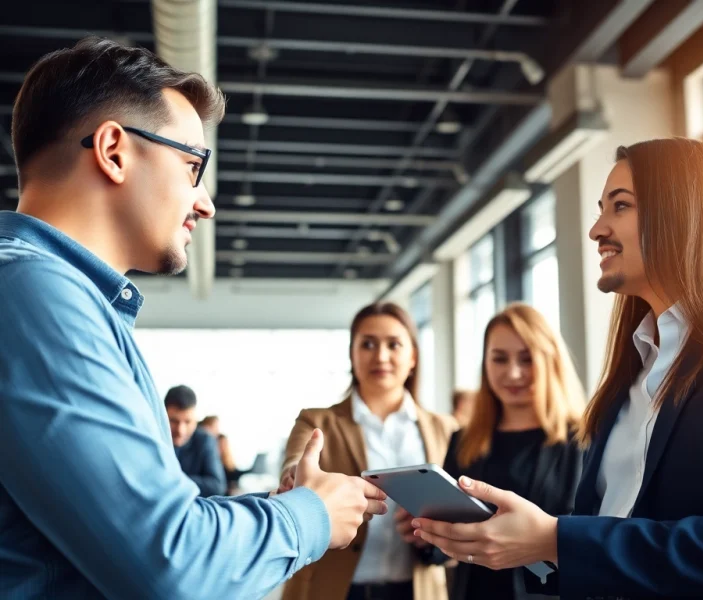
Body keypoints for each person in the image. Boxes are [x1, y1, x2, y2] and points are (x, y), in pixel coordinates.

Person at [0, 37, 386, 600]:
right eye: (192, 166)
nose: (205, 203)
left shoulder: (46, 295)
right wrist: (311, 516)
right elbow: (173, 565)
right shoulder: (35, 294)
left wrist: (275, 514)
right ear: (113, 151)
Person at [411, 138, 703, 599]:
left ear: (683, 211)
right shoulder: (631, 367)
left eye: (621, 206)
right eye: (602, 210)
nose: (597, 230)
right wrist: (521, 543)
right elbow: (614, 526)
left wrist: (556, 539)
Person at [278, 302, 458, 600]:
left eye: (394, 344)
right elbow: (296, 461)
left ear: (413, 356)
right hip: (331, 590)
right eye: (368, 344)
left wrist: (433, 532)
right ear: (352, 354)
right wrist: (293, 479)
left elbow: (462, 521)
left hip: (417, 590)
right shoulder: (316, 421)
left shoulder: (446, 429)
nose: (381, 356)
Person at [430, 303, 585, 600]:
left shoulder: (582, 440)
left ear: (550, 361)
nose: (513, 373)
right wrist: (425, 533)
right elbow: (446, 545)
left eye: (527, 359)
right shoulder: (464, 441)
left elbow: (590, 538)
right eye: (499, 359)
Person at [165, 385, 227, 497]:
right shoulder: (152, 438)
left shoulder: (205, 440)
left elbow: (217, 486)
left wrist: (170, 480)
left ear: (195, 419)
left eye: (188, 422)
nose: (181, 430)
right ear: (162, 416)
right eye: (173, 421)